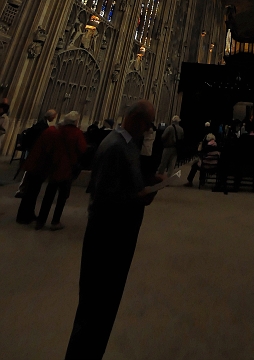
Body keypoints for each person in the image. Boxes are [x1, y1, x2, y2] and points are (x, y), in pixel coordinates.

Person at [64, 100, 164, 360]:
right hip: (107, 240)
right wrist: (140, 197)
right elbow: (104, 198)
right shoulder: (115, 146)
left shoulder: (127, 144)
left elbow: (124, 182)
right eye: (148, 125)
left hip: (119, 237)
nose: (149, 131)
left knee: (104, 310)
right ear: (136, 120)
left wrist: (147, 183)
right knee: (94, 310)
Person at [35, 111, 87, 231]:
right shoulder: (77, 133)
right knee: (62, 197)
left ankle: (40, 221)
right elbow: (82, 148)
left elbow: (49, 147)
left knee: (48, 196)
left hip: (55, 166)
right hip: (67, 168)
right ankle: (55, 221)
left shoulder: (57, 131)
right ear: (75, 122)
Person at [16, 116, 58, 224]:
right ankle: (25, 216)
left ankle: (26, 214)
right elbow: (48, 151)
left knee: (31, 191)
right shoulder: (48, 132)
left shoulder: (45, 129)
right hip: (38, 165)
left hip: (35, 163)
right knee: (31, 191)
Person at [15, 108, 57, 197]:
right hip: (34, 150)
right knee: (29, 171)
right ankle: (22, 190)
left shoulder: (42, 124)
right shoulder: (42, 126)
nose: (54, 118)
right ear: (50, 116)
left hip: (34, 149)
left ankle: (24, 189)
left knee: (30, 171)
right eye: (54, 116)